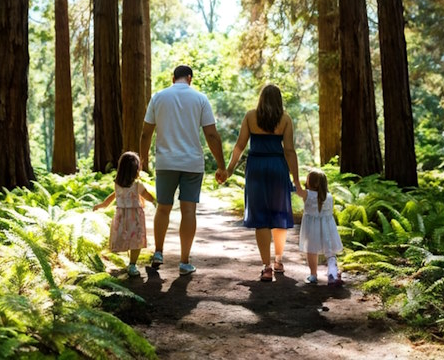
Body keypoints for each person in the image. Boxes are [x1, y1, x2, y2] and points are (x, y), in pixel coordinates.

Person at [140, 64, 226, 276]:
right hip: (191, 164)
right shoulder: (200, 99)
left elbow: (145, 133)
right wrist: (221, 165)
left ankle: (158, 252)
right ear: (190, 78)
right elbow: (212, 135)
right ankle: (184, 261)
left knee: (163, 208)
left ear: (172, 78)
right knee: (188, 211)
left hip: (165, 162)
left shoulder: (158, 97)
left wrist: (142, 160)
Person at [225, 84, 301, 281]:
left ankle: (266, 267)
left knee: (261, 217)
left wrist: (230, 168)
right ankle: (278, 261)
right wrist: (297, 180)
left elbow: (240, 145)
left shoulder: (251, 116)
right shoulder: (285, 119)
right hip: (277, 166)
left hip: (256, 167)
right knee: (278, 214)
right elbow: (290, 151)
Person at [94, 151, 157, 277]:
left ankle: (128, 263)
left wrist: (101, 205)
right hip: (135, 216)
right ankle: (132, 264)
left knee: (125, 238)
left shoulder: (117, 184)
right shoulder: (137, 185)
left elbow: (111, 198)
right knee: (136, 240)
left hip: (121, 216)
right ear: (136, 169)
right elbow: (147, 196)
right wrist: (156, 202)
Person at [297, 168, 344, 286]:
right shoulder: (329, 196)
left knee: (311, 251)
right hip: (328, 228)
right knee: (330, 250)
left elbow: (297, 190)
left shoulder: (307, 194)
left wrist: (296, 180)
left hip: (311, 230)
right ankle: (332, 272)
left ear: (311, 183)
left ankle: (313, 275)